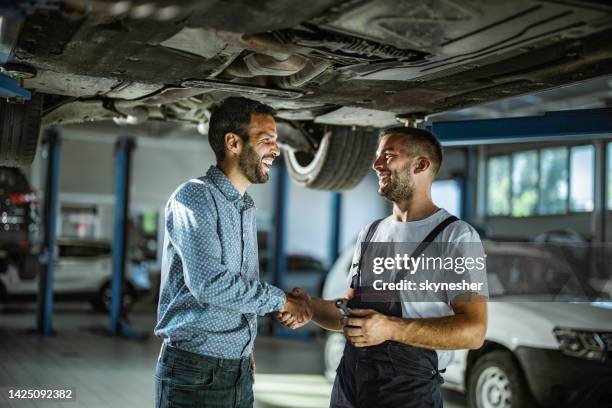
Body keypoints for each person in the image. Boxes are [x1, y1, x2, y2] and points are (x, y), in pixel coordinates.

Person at [280, 127, 488, 408]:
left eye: (388, 155)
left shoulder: (456, 237)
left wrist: (391, 329)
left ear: (421, 165)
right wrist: (310, 308)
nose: (376, 164)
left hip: (408, 390)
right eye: (377, 156)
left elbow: (474, 331)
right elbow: (350, 312)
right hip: (351, 383)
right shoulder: (371, 233)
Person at [154, 97, 311, 408]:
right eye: (267, 140)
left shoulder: (244, 208)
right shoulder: (195, 196)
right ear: (233, 143)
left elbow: (235, 289)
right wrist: (281, 300)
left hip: (236, 369)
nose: (276, 150)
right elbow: (210, 283)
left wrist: (242, 347)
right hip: (195, 372)